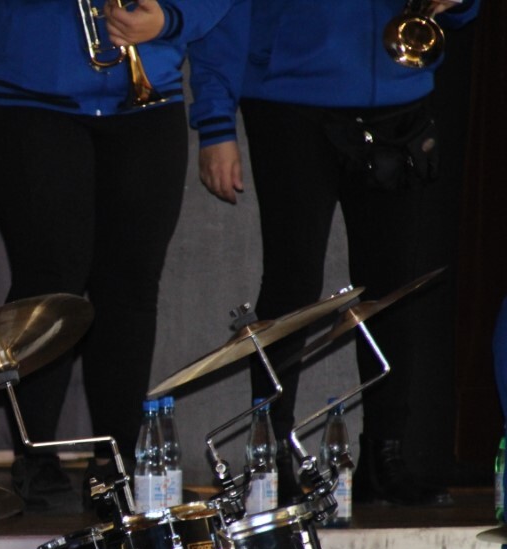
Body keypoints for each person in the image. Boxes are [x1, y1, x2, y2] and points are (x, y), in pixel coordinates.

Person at [196, 0, 479, 505]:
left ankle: (385, 454)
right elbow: (224, 10)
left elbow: (460, 13)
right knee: (292, 286)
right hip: (289, 101)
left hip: (399, 98)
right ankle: (270, 460)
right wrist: (215, 121)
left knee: (394, 288)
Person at [0, 0, 248, 513]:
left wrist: (170, 19)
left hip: (149, 101)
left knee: (131, 288)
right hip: (29, 97)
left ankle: (115, 462)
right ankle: (35, 458)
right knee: (50, 281)